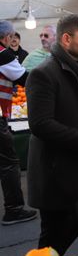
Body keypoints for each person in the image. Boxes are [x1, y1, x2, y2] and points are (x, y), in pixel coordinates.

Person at [26, 15, 78, 256]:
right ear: (67, 39)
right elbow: (40, 124)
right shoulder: (43, 73)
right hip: (55, 174)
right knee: (51, 245)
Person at [0, 22, 36, 226]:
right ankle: (13, 210)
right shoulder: (3, 55)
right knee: (9, 162)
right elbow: (25, 78)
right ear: (6, 37)